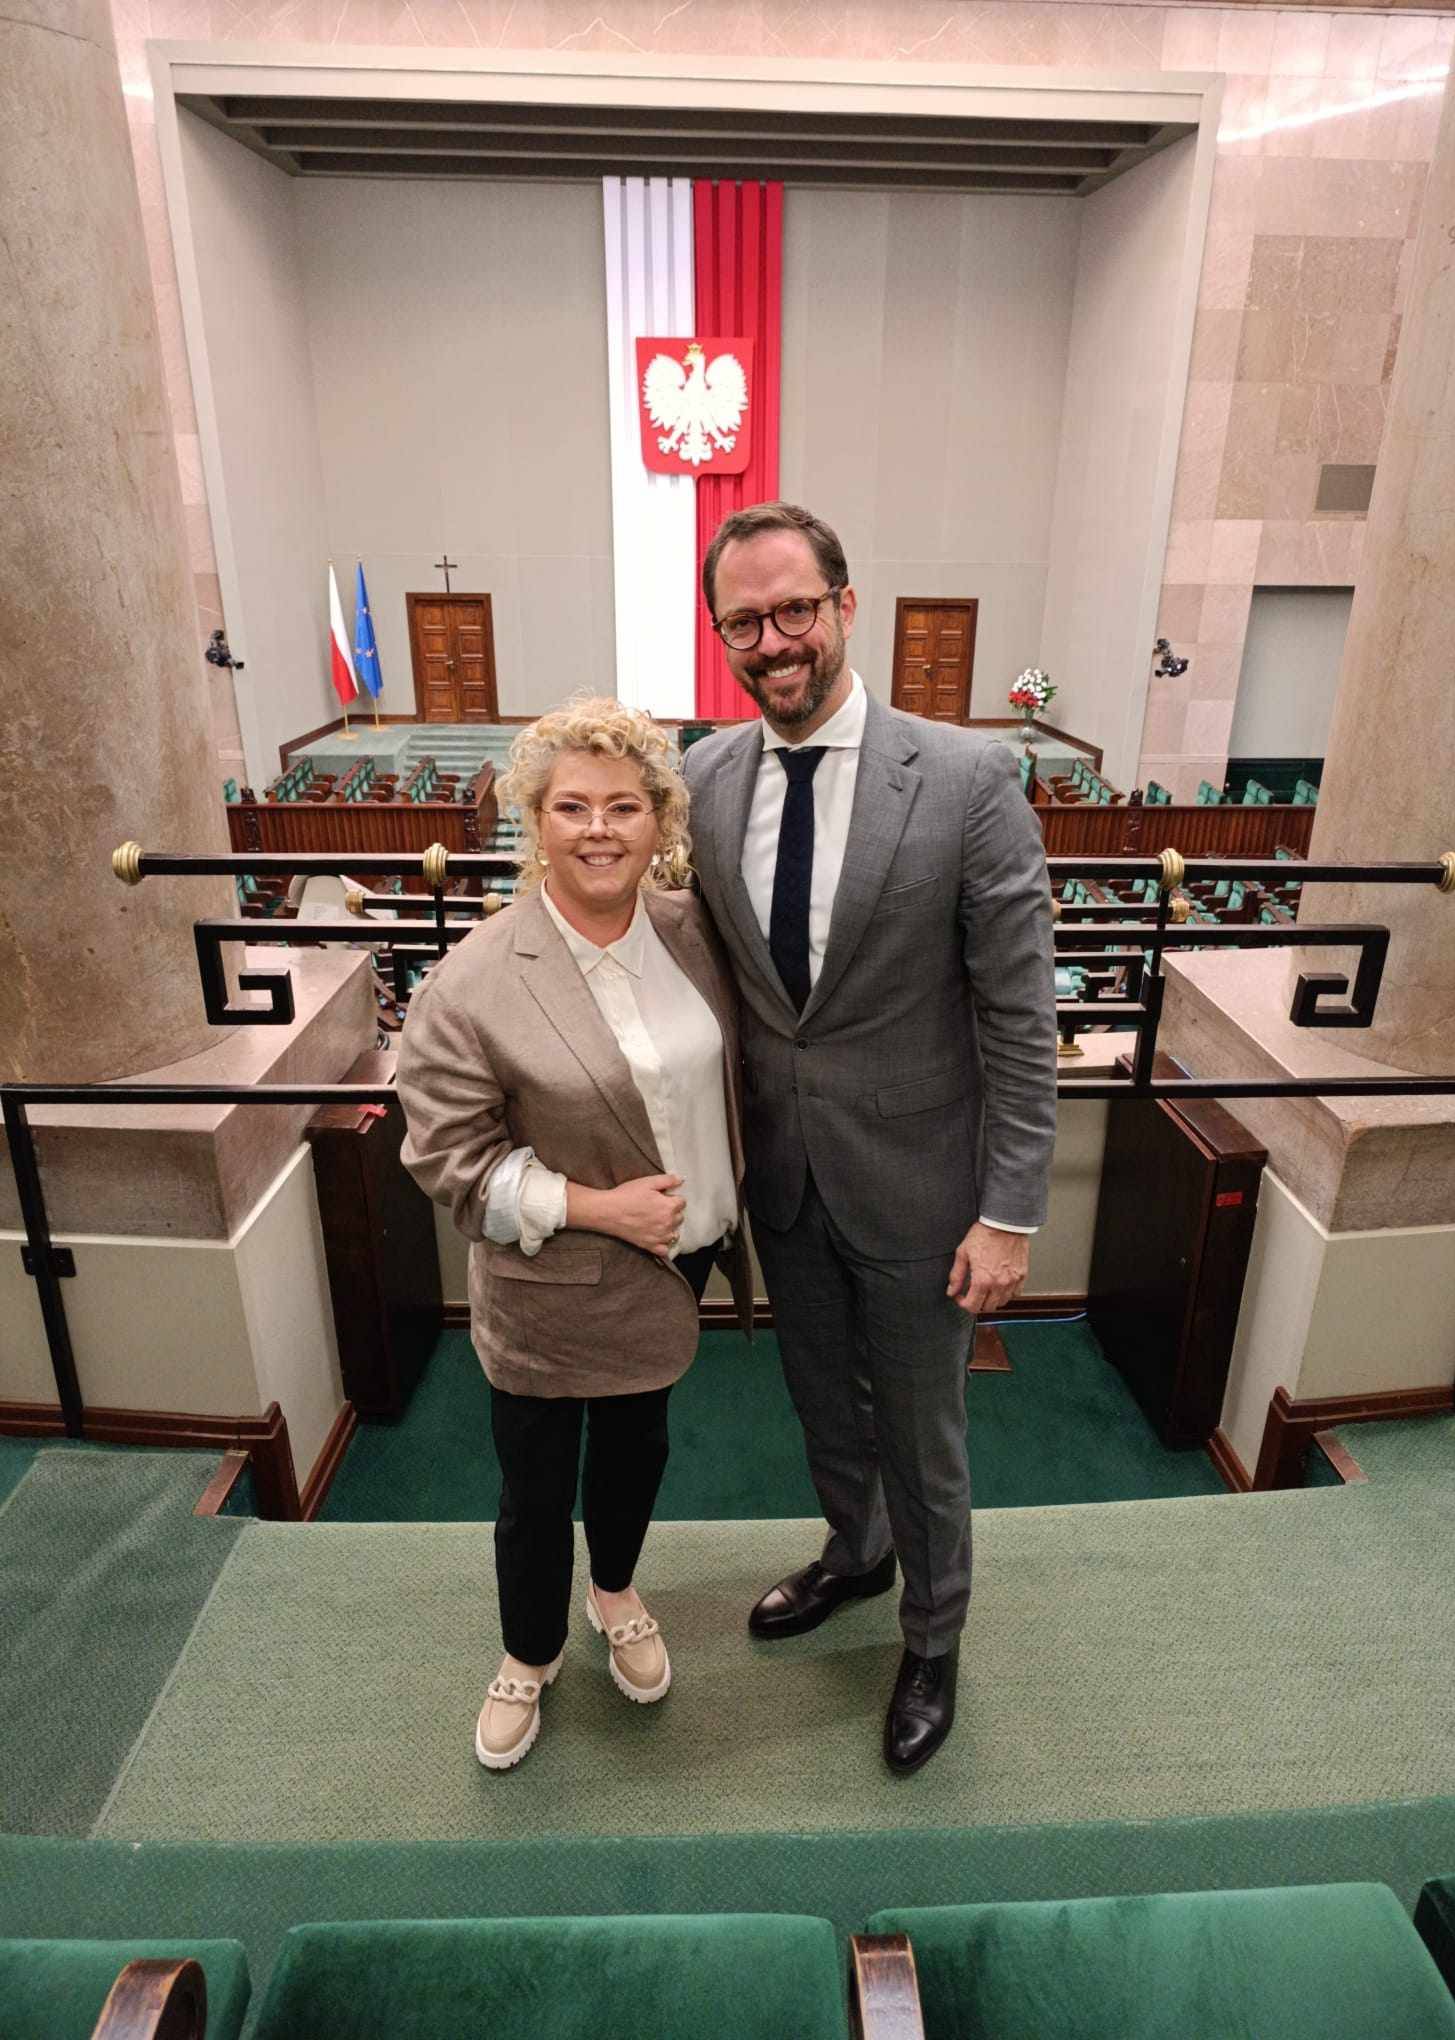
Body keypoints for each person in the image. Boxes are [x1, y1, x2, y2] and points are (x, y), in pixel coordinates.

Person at [682, 502, 1058, 1775]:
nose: (773, 642)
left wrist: (1009, 1212)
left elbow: (1020, 1018)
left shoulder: (965, 780)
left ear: (845, 606)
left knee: (920, 1431)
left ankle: (934, 1638)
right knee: (821, 1409)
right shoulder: (704, 779)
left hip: (923, 1193)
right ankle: (856, 1552)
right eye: (744, 622)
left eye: (794, 609)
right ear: (722, 637)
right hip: (785, 1181)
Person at [396, 698, 752, 1771]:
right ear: (534, 822)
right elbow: (450, 1164)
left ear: (660, 822)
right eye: (573, 807)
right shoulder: (473, 981)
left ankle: (615, 1592)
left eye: (625, 807)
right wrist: (601, 1209)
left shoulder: (694, 932)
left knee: (640, 1450)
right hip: (551, 1282)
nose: (601, 829)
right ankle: (528, 1652)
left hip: (680, 1261)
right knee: (536, 1490)